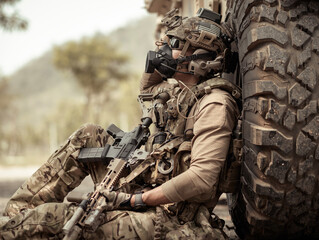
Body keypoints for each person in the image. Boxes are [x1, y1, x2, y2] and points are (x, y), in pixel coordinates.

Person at [0, 8, 241, 239]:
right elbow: (146, 89)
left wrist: (135, 200)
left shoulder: (215, 103)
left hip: (171, 217)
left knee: (51, 219)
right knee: (88, 135)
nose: (166, 50)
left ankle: (15, 228)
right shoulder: (181, 95)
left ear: (199, 58)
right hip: (147, 191)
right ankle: (13, 218)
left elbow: (202, 178)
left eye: (176, 46)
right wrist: (162, 55)